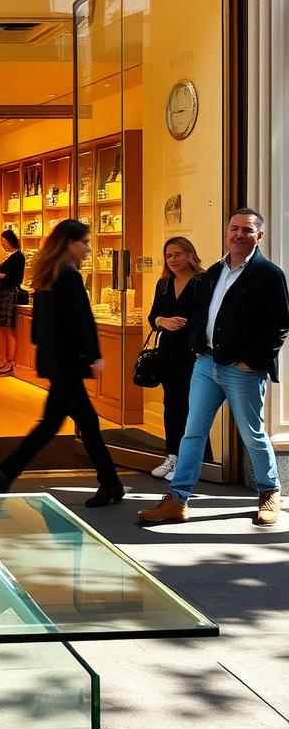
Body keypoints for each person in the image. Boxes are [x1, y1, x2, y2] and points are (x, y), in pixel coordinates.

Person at [138, 208, 289, 527]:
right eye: (233, 228)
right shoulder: (214, 273)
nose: (238, 234)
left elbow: (279, 326)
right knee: (192, 433)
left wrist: (252, 362)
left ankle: (269, 491)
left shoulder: (268, 274)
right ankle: (177, 500)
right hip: (206, 364)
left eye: (246, 230)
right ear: (226, 232)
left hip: (242, 370)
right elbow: (200, 314)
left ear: (258, 236)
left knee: (252, 434)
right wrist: (196, 345)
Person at [0, 219, 125, 508]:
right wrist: (93, 354)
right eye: (84, 242)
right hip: (68, 361)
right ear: (69, 244)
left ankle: (6, 472)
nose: (87, 248)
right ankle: (110, 482)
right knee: (73, 422)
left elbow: (52, 322)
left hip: (61, 361)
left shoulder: (49, 273)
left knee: (64, 422)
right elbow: (81, 321)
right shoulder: (67, 275)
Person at [145, 236, 213, 480]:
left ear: (190, 255)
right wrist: (162, 321)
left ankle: (194, 460)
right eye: (169, 255)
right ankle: (172, 455)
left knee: (192, 407)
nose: (173, 259)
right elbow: (153, 315)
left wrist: (185, 325)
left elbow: (207, 316)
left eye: (178, 254)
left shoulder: (203, 281)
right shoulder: (163, 283)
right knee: (171, 404)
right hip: (168, 351)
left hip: (193, 351)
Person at [0, 230, 26, 376]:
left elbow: (11, 277)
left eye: (3, 242)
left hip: (9, 293)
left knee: (7, 328)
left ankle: (10, 361)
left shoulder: (18, 256)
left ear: (11, 241)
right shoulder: (10, 257)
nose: (2, 244)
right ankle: (2, 358)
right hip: (2, 293)